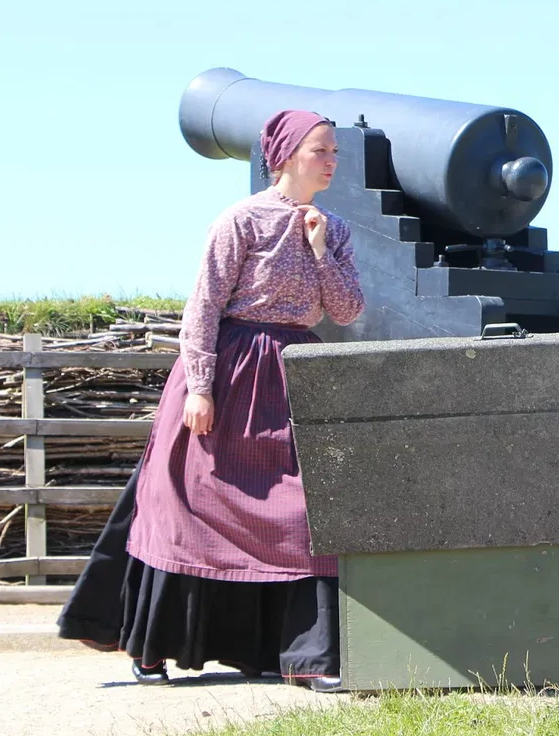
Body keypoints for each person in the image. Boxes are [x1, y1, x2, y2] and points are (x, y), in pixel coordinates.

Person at [59, 109, 364, 690]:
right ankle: (153, 649)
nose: (331, 162)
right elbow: (201, 308)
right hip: (229, 372)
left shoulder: (336, 228)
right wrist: (200, 387)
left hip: (296, 372)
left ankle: (307, 657)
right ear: (285, 156)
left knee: (303, 513)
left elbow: (348, 311)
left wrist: (320, 248)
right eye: (320, 151)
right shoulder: (239, 221)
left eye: (334, 153)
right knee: (185, 505)